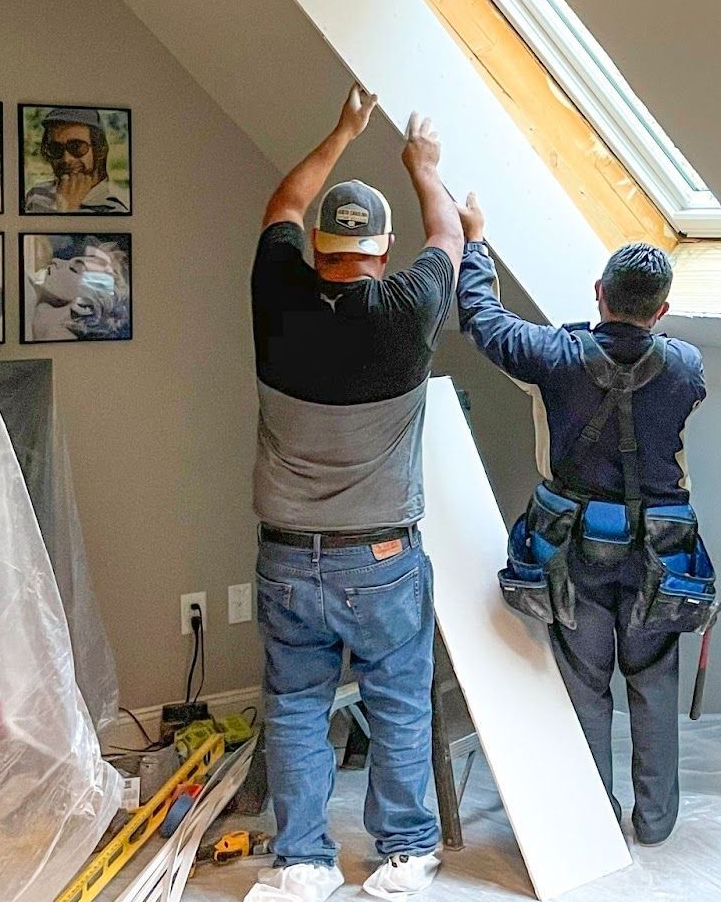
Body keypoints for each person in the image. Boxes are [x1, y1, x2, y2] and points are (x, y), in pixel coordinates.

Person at [249, 85, 463, 902]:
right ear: (382, 249)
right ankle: (406, 853)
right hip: (381, 559)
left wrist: (342, 129)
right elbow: (447, 233)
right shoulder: (409, 308)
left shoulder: (277, 293)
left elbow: (284, 202)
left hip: (287, 557)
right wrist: (423, 164)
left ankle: (302, 862)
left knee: (299, 708)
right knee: (399, 701)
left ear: (317, 249)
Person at [454, 193, 712, 847]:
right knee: (653, 684)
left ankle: (594, 817)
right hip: (663, 554)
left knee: (586, 686)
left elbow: (483, 318)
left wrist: (476, 243)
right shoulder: (687, 368)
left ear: (599, 293)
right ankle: (655, 824)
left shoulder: (554, 356)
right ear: (662, 310)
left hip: (575, 548)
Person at [23, 107, 131, 213]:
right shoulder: (36, 195)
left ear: (97, 150)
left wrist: (68, 208)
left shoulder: (114, 209)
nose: (66, 159)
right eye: (55, 149)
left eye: (76, 147)